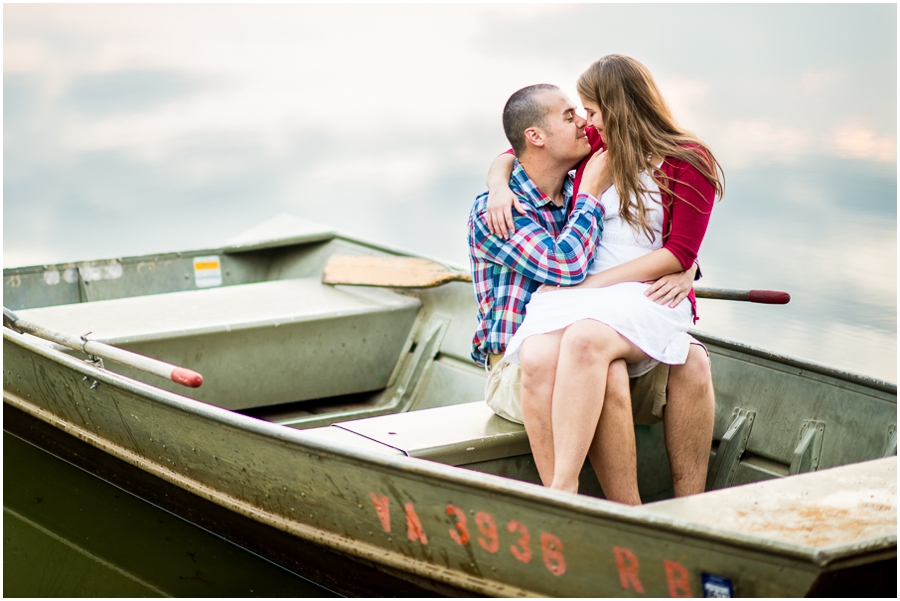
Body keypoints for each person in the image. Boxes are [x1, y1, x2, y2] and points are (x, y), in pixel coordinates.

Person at [483, 55, 723, 496]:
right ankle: (586, 499)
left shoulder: (689, 160)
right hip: (591, 296)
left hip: (637, 295)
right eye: (577, 115)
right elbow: (518, 147)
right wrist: (498, 184)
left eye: (589, 112)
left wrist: (683, 269)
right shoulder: (597, 149)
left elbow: (680, 251)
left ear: (615, 107)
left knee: (592, 341)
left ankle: (571, 488)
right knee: (552, 355)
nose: (584, 124)